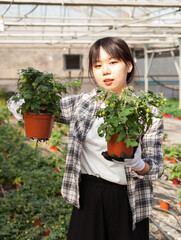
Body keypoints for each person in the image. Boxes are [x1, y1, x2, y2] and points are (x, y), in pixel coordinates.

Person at [7, 37, 164, 240]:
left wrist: (137, 163)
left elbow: (157, 168)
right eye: (97, 65)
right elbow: (26, 105)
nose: (105, 71)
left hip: (129, 200)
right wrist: (26, 105)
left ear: (129, 65)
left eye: (113, 62)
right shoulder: (81, 104)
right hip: (88, 195)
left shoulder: (148, 113)